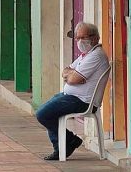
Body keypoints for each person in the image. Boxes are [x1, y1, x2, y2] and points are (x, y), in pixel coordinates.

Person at [35, 22, 110, 161]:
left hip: (82, 101)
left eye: (84, 37)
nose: (80, 41)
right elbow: (66, 70)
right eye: (78, 38)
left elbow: (71, 80)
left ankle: (69, 141)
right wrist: (72, 74)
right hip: (72, 97)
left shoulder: (96, 56)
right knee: (49, 109)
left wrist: (73, 77)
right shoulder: (85, 55)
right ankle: (64, 145)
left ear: (95, 38)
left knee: (43, 114)